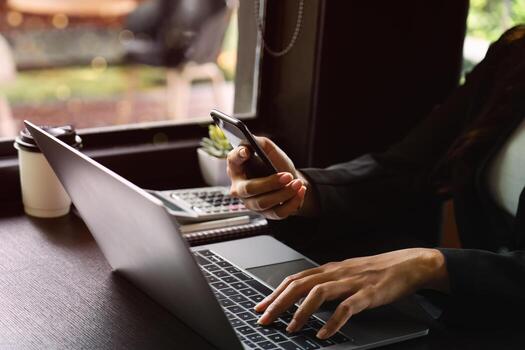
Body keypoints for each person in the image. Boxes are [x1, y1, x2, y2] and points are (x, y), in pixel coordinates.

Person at [226, 25, 525, 338]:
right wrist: (299, 191)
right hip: (473, 322)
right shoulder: (514, 54)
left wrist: (429, 264)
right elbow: (404, 168)